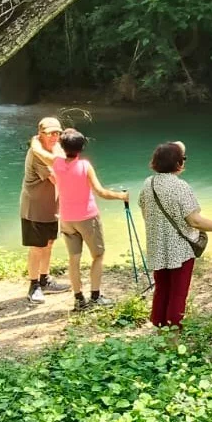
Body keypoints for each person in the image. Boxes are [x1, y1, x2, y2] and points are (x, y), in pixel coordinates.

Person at [140, 141, 212, 328]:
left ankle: (159, 331)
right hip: (181, 251)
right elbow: (195, 221)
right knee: (178, 293)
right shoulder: (180, 186)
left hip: (157, 247)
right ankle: (173, 339)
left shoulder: (148, 183)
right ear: (178, 163)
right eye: (183, 159)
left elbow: (146, 214)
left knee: (161, 289)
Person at [51, 128, 129, 311]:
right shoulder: (85, 166)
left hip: (66, 219)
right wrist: (121, 196)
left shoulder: (56, 163)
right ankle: (95, 296)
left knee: (74, 259)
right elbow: (101, 192)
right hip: (87, 218)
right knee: (98, 255)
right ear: (81, 148)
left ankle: (79, 300)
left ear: (62, 147)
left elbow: (56, 150)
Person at [21, 116, 71, 304]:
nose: (54, 136)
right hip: (35, 208)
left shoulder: (53, 148)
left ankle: (45, 279)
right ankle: (33, 285)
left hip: (51, 207)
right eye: (50, 133)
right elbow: (57, 178)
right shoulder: (38, 154)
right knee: (37, 247)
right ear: (41, 134)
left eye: (57, 133)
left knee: (49, 243)